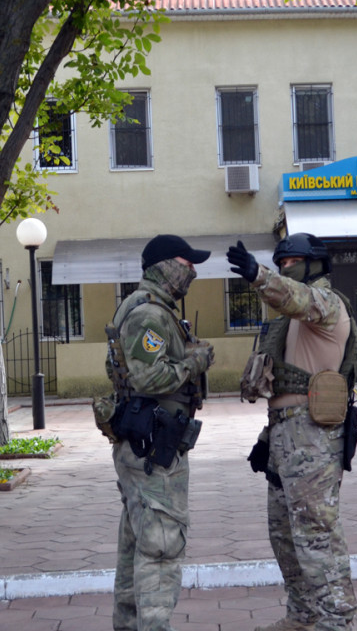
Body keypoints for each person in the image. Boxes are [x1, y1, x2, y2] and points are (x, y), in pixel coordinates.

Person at [227, 233, 357, 631]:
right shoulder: (292, 320)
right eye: (281, 264)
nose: (286, 269)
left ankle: (337, 621)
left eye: (293, 262)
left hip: (313, 436)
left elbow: (294, 297)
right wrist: (267, 440)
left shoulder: (325, 304)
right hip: (285, 432)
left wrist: (259, 275)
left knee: (316, 534)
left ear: (315, 264)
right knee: (284, 534)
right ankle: (303, 616)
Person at [106, 234, 215, 631]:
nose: (193, 271)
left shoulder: (151, 307)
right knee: (162, 546)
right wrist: (195, 362)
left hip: (147, 443)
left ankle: (130, 624)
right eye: (187, 264)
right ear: (165, 266)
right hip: (154, 448)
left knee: (138, 543)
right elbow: (149, 377)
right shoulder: (149, 314)